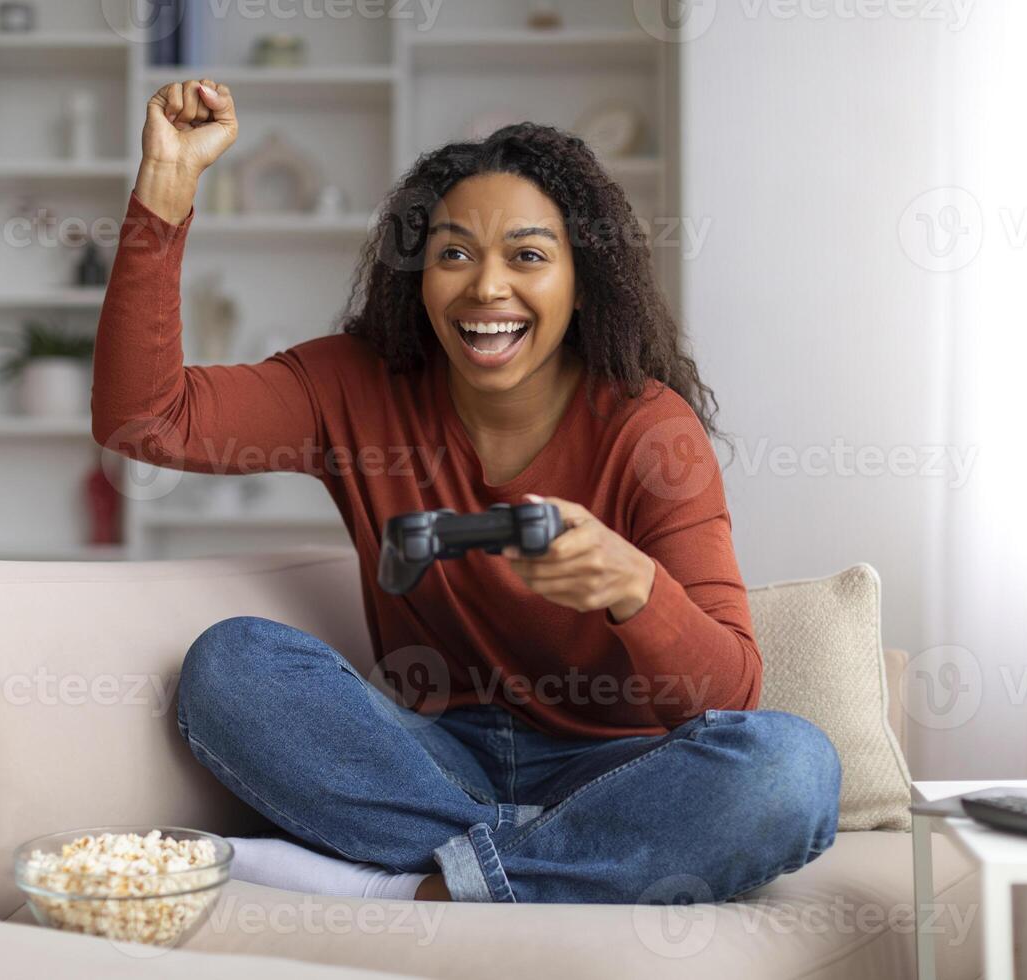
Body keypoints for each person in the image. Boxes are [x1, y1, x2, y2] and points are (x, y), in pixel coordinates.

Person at [92, 79, 841, 905]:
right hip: (428, 755)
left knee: (792, 769)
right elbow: (143, 420)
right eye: (454, 253)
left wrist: (636, 589)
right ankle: (547, 866)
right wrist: (166, 189)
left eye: (527, 255)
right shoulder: (355, 385)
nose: (487, 287)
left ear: (580, 281)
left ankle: (410, 887)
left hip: (614, 774)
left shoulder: (649, 431)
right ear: (420, 276)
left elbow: (730, 698)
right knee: (232, 664)